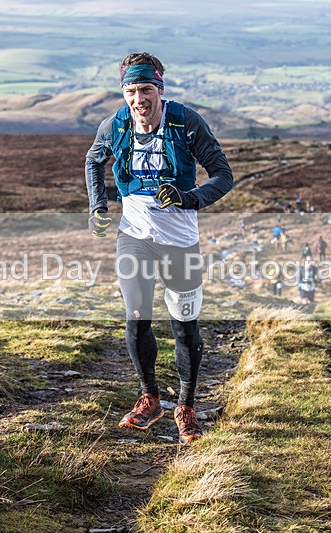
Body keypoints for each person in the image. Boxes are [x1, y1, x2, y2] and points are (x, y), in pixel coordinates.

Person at [84, 52, 234, 444]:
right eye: (131, 91)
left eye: (146, 89)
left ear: (160, 89)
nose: (138, 99)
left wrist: (189, 198)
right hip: (134, 238)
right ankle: (149, 397)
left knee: (184, 326)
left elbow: (223, 175)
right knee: (137, 318)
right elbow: (93, 160)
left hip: (179, 242)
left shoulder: (185, 122)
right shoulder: (115, 124)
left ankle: (186, 406)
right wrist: (98, 206)